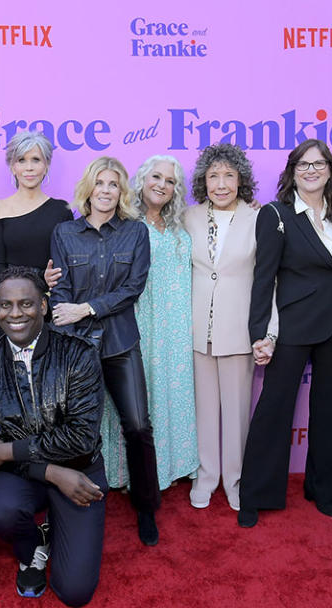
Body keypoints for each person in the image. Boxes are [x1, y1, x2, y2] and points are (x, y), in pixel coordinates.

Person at [0, 266, 106, 606]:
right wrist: (51, 472)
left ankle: (59, 523)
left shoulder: (79, 354)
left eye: (26, 304)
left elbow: (82, 437)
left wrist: (9, 452)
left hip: (79, 470)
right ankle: (34, 543)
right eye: (5, 305)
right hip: (28, 475)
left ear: (44, 306)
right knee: (1, 513)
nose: (15, 314)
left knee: (75, 592)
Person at [239, 139, 332, 528]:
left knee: (330, 408)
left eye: (318, 163)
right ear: (292, 171)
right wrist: (260, 331)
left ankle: (324, 490)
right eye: (303, 164)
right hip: (292, 324)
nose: (311, 170)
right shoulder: (276, 214)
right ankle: (255, 495)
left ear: (329, 169)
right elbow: (263, 277)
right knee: (274, 408)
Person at [50, 156, 162, 545]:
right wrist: (65, 311)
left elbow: (132, 288)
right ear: (88, 188)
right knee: (75, 431)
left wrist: (86, 308)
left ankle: (147, 508)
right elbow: (59, 292)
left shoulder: (135, 232)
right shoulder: (64, 232)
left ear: (122, 191)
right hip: (76, 349)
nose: (105, 190)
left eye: (113, 184)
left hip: (119, 343)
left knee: (138, 426)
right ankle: (68, 505)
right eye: (99, 183)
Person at [100, 155, 198, 493]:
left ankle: (170, 465)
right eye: (156, 176)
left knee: (170, 392)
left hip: (176, 327)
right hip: (138, 322)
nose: (162, 185)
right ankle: (132, 474)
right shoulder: (124, 222)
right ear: (141, 180)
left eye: (170, 181)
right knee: (138, 401)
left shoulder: (179, 226)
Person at [183, 145, 264, 510]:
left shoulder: (260, 217)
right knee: (203, 411)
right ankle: (206, 477)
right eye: (213, 175)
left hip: (239, 329)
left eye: (229, 175)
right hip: (197, 329)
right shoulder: (189, 217)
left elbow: (269, 279)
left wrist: (269, 330)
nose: (221, 183)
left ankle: (234, 479)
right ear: (203, 180)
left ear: (241, 180)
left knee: (236, 412)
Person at [0, 131, 72, 284]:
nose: (29, 167)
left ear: (46, 166)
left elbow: (65, 264)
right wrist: (36, 279)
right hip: (10, 298)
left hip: (50, 300)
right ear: (13, 167)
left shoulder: (61, 210)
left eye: (36, 160)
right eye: (21, 160)